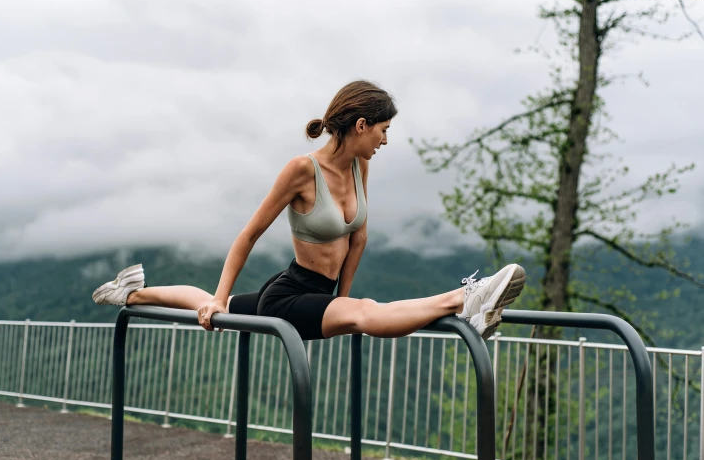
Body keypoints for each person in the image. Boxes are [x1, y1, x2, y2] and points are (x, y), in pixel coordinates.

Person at [92, 80, 525, 341]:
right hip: (287, 295)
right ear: (361, 126)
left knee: (346, 310)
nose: (386, 141)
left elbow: (359, 237)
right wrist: (222, 299)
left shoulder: (361, 166)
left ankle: (128, 292)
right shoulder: (302, 170)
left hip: (315, 291)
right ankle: (465, 298)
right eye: (383, 130)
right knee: (364, 314)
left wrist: (338, 299)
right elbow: (248, 235)